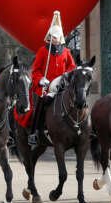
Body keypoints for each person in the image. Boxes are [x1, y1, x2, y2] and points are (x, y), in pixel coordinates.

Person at [22, 10, 76, 148]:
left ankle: (77, 127)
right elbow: (36, 70)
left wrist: (65, 76)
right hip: (46, 85)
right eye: (51, 37)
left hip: (62, 84)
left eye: (56, 38)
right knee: (41, 102)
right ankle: (34, 132)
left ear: (60, 39)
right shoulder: (43, 51)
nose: (53, 40)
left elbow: (72, 67)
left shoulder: (66, 52)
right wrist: (40, 79)